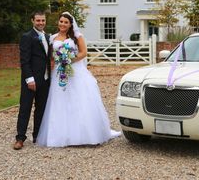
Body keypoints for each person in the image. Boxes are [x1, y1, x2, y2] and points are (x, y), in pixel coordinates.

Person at [36, 12, 120, 147]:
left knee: (79, 100)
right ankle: (60, 135)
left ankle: (85, 135)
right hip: (59, 74)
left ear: (70, 25)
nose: (63, 24)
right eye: (61, 21)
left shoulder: (77, 37)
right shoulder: (52, 38)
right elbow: (51, 57)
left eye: (66, 22)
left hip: (75, 72)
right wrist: (58, 62)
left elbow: (83, 52)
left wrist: (69, 60)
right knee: (60, 101)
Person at [14, 11, 51, 150]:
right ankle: (20, 138)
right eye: (38, 20)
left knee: (41, 109)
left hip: (45, 80)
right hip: (31, 80)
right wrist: (30, 79)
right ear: (32, 21)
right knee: (25, 108)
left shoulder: (48, 37)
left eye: (43, 20)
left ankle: (37, 136)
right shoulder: (27, 37)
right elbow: (24, 61)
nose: (41, 23)